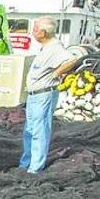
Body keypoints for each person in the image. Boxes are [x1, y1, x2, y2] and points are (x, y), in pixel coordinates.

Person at [20, 16, 81, 174]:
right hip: (34, 95)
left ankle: (35, 167)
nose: (33, 32)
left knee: (40, 131)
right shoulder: (45, 48)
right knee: (30, 130)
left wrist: (57, 73)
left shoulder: (55, 48)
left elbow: (72, 59)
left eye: (35, 29)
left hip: (43, 95)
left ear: (44, 32)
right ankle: (26, 162)